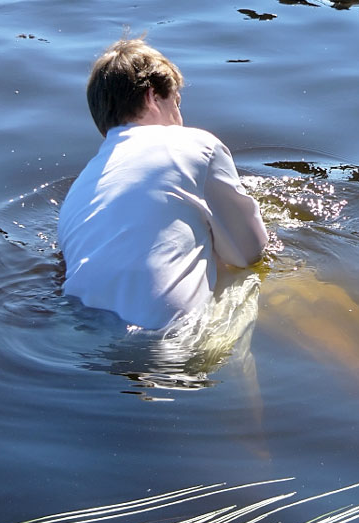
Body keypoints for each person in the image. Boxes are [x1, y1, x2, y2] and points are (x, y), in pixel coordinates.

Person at [58, 38, 268, 330]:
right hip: (170, 337)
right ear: (152, 96)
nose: (180, 118)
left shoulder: (78, 190)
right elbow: (249, 253)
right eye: (177, 103)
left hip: (83, 338)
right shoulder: (196, 145)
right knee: (242, 275)